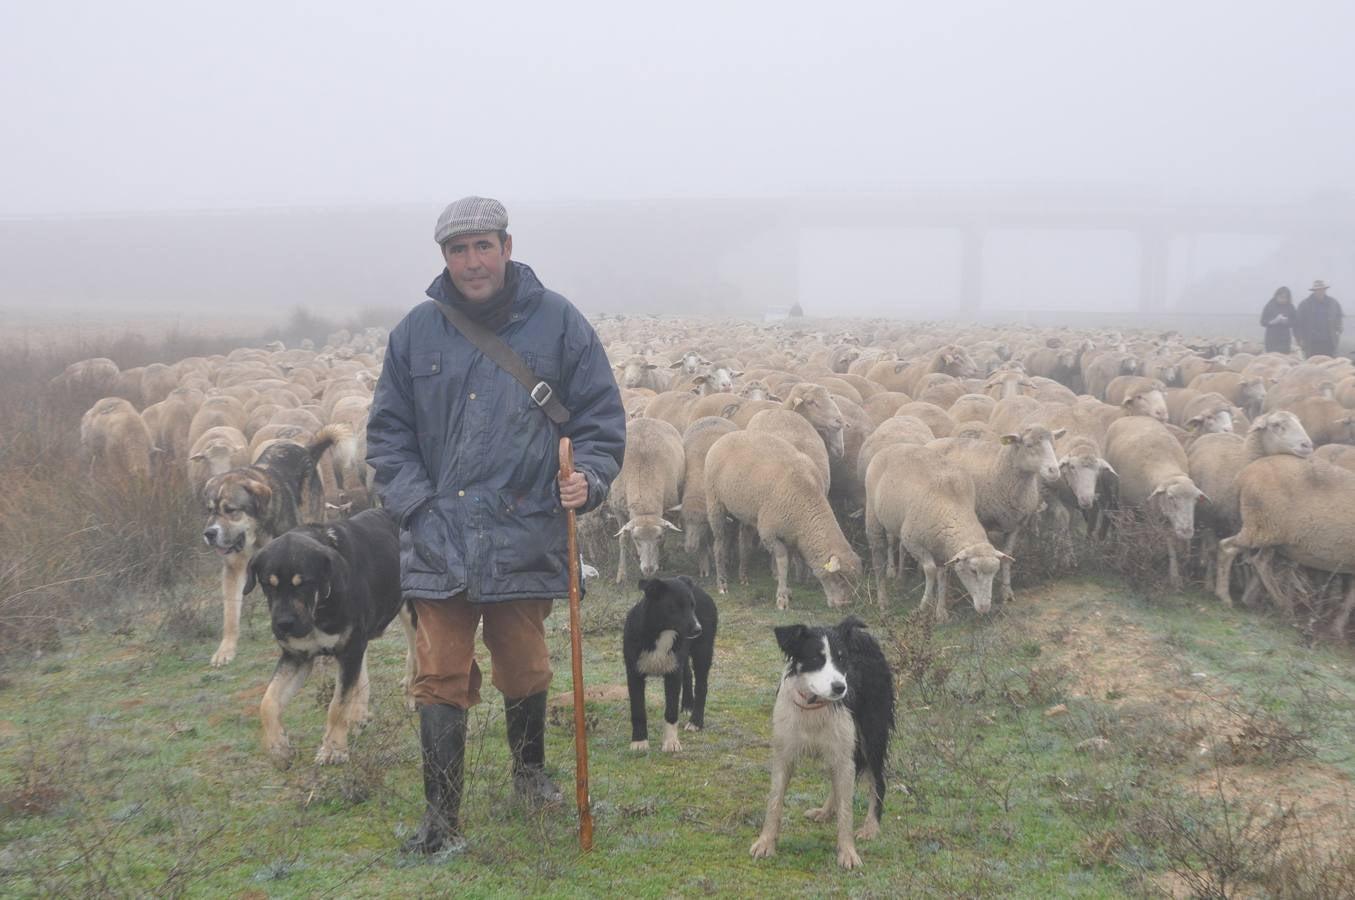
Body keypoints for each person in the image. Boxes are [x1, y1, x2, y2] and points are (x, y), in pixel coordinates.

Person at [366, 196, 626, 855]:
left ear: (507, 248)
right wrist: (417, 507)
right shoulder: (415, 333)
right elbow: (388, 436)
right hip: (439, 536)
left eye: (483, 246)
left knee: (525, 664)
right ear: (444, 258)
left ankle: (529, 775)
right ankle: (440, 817)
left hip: (525, 529)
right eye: (459, 250)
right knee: (438, 673)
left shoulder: (559, 323)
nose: (472, 261)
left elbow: (599, 422)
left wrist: (588, 478)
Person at [1294, 279, 1344, 358]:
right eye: (1317, 290)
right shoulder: (1304, 304)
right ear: (1314, 291)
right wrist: (1299, 339)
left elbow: (1339, 315)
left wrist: (1339, 326)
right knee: (1312, 363)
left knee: (1329, 363)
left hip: (1329, 341)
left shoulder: (1333, 303)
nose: (1320, 291)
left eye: (1322, 289)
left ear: (1325, 290)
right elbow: (1297, 323)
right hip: (1312, 342)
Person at [1259, 286, 1295, 353]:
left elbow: (1295, 321)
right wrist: (1273, 321)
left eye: (1286, 297)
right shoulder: (1269, 306)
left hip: (1285, 340)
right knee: (1272, 357)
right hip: (1272, 339)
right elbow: (1262, 321)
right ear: (1276, 296)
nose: (1283, 299)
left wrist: (1287, 321)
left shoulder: (1290, 307)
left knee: (1284, 358)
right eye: (1281, 297)